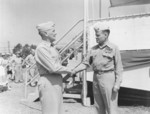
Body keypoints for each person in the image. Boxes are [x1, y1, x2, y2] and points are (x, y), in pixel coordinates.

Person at [72, 24, 123, 114]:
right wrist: (74, 70)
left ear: (106, 35)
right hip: (96, 78)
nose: (96, 37)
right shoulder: (93, 49)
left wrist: (117, 84)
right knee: (98, 106)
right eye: (95, 35)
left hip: (108, 78)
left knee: (111, 107)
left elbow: (119, 68)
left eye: (98, 35)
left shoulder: (114, 48)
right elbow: (85, 64)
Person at [35, 21, 73, 114]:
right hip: (48, 83)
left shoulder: (52, 48)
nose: (55, 33)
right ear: (46, 33)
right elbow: (53, 67)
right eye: (53, 31)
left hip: (56, 81)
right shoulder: (42, 48)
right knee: (50, 111)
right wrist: (70, 70)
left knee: (58, 111)